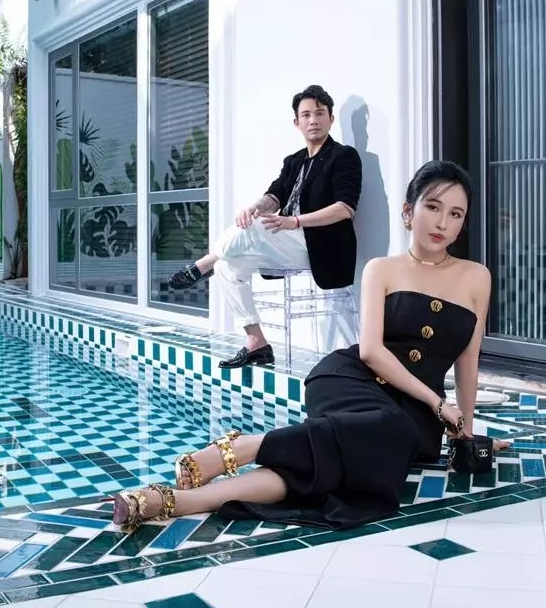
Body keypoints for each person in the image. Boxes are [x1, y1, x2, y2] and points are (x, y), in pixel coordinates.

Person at [113, 160, 512, 532]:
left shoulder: (476, 277)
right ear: (409, 212)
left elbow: (468, 359)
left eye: (455, 214)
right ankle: (246, 449)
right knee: (387, 433)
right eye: (433, 207)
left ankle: (183, 500)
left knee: (336, 464)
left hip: (413, 415)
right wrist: (439, 405)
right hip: (353, 380)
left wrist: (465, 434)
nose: (442, 223)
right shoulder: (382, 269)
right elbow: (371, 352)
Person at [165, 85, 362, 369]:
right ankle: (256, 342)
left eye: (320, 113)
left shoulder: (343, 156)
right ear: (297, 122)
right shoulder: (294, 161)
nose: (313, 120)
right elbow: (274, 196)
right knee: (227, 267)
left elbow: (345, 209)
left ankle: (204, 263)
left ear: (331, 119)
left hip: (322, 245)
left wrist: (295, 221)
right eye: (306, 115)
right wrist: (254, 209)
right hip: (289, 242)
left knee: (251, 230)